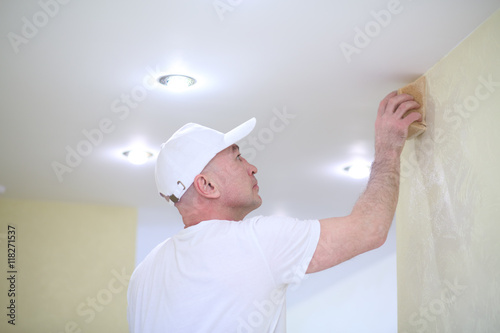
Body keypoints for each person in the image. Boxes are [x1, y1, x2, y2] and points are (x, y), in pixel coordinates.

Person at [127, 91, 421, 332]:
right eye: (238, 157)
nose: (252, 167)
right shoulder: (255, 242)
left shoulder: (143, 275)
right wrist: (388, 147)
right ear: (206, 184)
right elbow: (369, 228)